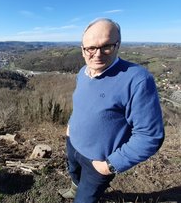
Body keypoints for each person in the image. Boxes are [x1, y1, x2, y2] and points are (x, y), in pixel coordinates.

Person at [58, 18, 164, 203]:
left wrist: (109, 165)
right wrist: (70, 127)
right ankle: (75, 187)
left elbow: (150, 136)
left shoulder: (137, 80)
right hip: (73, 144)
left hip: (98, 161)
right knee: (74, 174)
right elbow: (82, 105)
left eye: (106, 46)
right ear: (82, 49)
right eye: (90, 48)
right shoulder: (83, 72)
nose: (97, 54)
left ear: (118, 45)